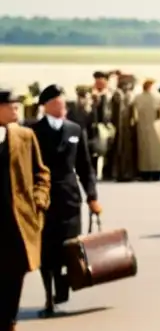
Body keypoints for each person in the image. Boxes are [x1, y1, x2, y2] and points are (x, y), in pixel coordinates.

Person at [30, 85, 99, 316]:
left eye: (64, 103)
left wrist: (92, 197)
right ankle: (49, 298)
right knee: (47, 251)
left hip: (70, 199)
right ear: (46, 105)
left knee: (70, 247)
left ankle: (62, 290)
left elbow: (85, 167)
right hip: (44, 199)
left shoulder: (75, 130)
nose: (63, 107)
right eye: (58, 103)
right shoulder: (33, 132)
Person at [0, 86, 51, 331]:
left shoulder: (25, 136)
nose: (16, 110)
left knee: (15, 271)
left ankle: (9, 323)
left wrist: (39, 201)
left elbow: (41, 173)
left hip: (17, 218)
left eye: (18, 106)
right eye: (11, 106)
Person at [131, 78, 160, 181]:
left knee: (144, 150)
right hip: (155, 127)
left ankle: (145, 172)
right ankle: (156, 171)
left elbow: (134, 114)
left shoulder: (138, 97)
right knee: (155, 150)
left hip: (142, 127)